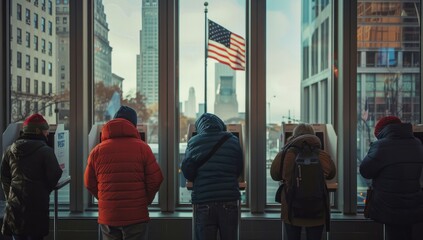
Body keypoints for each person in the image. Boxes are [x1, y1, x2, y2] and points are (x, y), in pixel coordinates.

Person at [84, 106, 163, 240]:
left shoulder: (97, 151)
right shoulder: (143, 148)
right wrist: (144, 201)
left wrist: (106, 199)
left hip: (109, 217)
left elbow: (88, 183)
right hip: (136, 216)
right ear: (133, 124)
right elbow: (156, 179)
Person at [181, 113, 243, 240]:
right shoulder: (233, 140)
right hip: (229, 199)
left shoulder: (194, 141)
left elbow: (187, 172)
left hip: (204, 200)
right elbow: (238, 169)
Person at [360, 116, 423, 240]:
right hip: (414, 202)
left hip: (390, 205)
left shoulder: (381, 146)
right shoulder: (417, 143)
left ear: (382, 132)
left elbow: (365, 171)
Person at [1, 113, 63, 240]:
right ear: (38, 131)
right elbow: (54, 176)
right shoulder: (46, 151)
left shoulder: (9, 150)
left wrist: (10, 196)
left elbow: (4, 176)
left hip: (15, 207)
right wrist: (43, 191)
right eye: (46, 131)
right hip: (37, 207)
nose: (47, 134)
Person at [270, 123, 336, 240]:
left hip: (292, 210)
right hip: (317, 210)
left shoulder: (285, 155)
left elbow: (274, 175)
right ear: (313, 136)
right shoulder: (323, 155)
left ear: (294, 136)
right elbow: (332, 174)